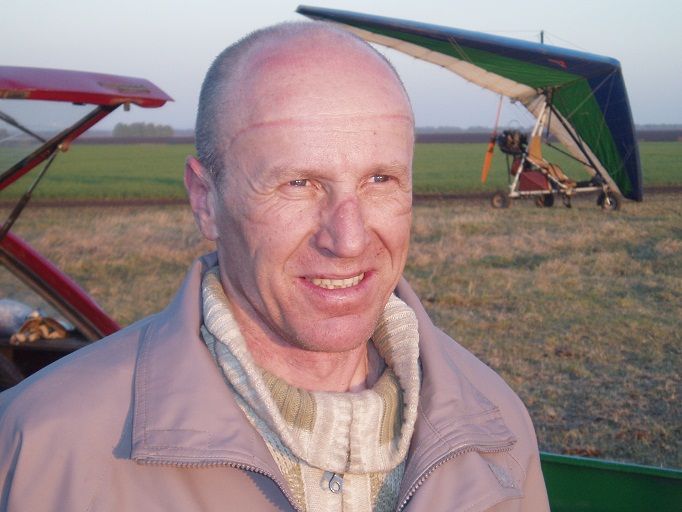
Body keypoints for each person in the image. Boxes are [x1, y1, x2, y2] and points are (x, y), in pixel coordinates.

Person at [0, 22, 549, 511]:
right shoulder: (44, 448)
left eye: (380, 179)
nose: (349, 239)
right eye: (298, 183)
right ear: (205, 201)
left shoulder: (495, 424)